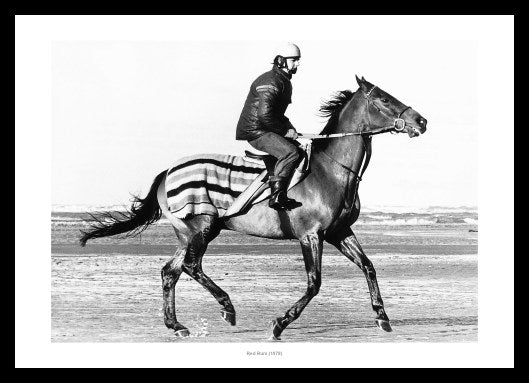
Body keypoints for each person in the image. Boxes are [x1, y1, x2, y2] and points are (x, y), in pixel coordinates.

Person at [235, 42, 302, 211]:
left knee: (301, 149)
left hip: (265, 127)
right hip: (256, 131)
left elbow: (277, 114)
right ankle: (277, 197)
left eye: (298, 60)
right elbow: (265, 116)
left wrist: (291, 128)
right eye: (294, 60)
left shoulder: (282, 80)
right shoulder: (271, 81)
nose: (298, 64)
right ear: (281, 61)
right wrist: (285, 131)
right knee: (290, 152)